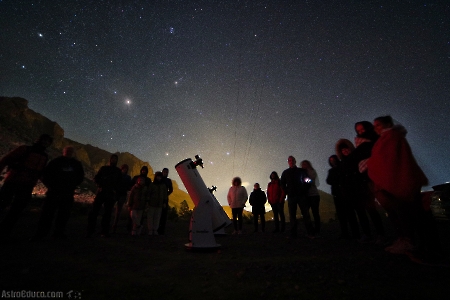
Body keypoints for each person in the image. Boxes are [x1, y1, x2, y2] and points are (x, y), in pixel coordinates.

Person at [367, 116, 436, 258]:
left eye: (378, 125)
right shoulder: (387, 138)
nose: (376, 128)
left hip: (401, 180)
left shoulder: (391, 137)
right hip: (397, 180)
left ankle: (423, 247)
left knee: (411, 213)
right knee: (405, 213)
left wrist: (372, 166)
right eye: (374, 126)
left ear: (387, 124)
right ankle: (414, 243)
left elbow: (389, 160)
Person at [0, 134, 53, 238]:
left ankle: (5, 232)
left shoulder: (44, 156)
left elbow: (41, 173)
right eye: (44, 141)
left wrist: (49, 185)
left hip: (27, 185)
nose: (45, 143)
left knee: (17, 209)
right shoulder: (25, 149)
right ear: (38, 140)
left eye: (47, 142)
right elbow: (6, 159)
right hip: (14, 181)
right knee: (3, 203)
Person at [33, 146, 84, 240]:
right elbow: (46, 174)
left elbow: (81, 176)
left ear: (73, 153)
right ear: (63, 151)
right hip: (54, 192)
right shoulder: (56, 161)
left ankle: (58, 233)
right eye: (67, 151)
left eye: (71, 151)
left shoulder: (76, 164)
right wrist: (50, 186)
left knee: (64, 214)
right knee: (48, 213)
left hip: (68, 193)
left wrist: (72, 185)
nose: (69, 153)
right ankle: (41, 233)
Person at [353, 121, 385, 242]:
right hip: (363, 181)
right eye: (358, 130)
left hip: (376, 178)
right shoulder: (359, 146)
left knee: (373, 209)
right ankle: (369, 233)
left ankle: (382, 234)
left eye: (363, 129)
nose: (361, 132)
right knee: (364, 209)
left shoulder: (375, 142)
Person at [336, 140, 372, 242]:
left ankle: (367, 233)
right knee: (351, 215)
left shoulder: (356, 159)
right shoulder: (342, 163)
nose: (345, 151)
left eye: (346, 149)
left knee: (361, 213)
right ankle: (356, 234)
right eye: (343, 150)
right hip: (347, 191)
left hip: (357, 189)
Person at [87, 154, 122, 238]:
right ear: (110, 159)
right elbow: (96, 178)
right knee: (94, 211)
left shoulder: (118, 171)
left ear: (117, 160)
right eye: (112, 158)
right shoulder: (104, 168)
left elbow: (119, 183)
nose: (113, 160)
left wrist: (115, 191)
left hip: (110, 194)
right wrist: (100, 185)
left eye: (115, 159)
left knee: (107, 214)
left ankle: (104, 231)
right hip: (101, 192)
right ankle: (90, 230)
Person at [280, 156, 314, 238]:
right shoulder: (285, 173)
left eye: (292, 160)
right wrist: (287, 191)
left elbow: (308, 180)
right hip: (291, 196)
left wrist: (304, 189)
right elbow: (282, 183)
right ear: (288, 162)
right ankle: (293, 234)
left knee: (305, 214)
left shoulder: (301, 171)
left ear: (295, 161)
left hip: (301, 195)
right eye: (289, 160)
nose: (291, 161)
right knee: (292, 215)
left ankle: (310, 233)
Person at [326, 154, 353, 239]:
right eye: (330, 160)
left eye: (333, 159)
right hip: (337, 194)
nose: (332, 161)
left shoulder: (343, 167)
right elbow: (328, 180)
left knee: (350, 213)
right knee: (341, 215)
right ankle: (345, 233)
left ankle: (355, 233)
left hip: (346, 193)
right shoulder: (331, 171)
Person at [127, 166, 152, 232]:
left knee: (140, 217)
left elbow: (149, 191)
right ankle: (135, 227)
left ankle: (135, 231)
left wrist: (147, 201)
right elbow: (130, 186)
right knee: (132, 216)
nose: (144, 171)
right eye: (143, 170)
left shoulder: (148, 180)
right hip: (134, 202)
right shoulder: (136, 178)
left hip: (142, 202)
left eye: (145, 170)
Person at [300, 160, 321, 236]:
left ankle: (317, 229)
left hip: (313, 195)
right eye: (303, 164)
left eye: (305, 164)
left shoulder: (311, 171)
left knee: (315, 212)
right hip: (306, 195)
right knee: (306, 212)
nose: (304, 165)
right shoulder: (302, 173)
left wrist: (305, 180)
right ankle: (310, 228)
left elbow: (311, 181)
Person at [112, 164, 132, 233]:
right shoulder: (117, 175)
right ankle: (109, 224)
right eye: (124, 168)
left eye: (126, 169)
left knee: (118, 211)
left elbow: (129, 186)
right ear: (122, 169)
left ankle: (115, 225)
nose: (125, 170)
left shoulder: (128, 177)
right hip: (116, 193)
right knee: (110, 209)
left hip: (122, 194)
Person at [147, 171, 167, 236]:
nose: (159, 178)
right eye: (158, 176)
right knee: (150, 217)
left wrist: (164, 202)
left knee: (157, 218)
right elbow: (149, 194)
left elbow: (165, 195)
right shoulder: (152, 185)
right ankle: (150, 230)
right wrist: (148, 201)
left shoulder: (163, 186)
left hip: (159, 204)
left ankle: (155, 230)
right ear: (156, 177)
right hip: (152, 203)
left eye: (160, 177)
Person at [157, 167, 173, 235]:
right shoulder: (159, 179)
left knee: (164, 215)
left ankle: (161, 230)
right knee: (158, 214)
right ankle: (156, 228)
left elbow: (171, 189)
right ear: (162, 172)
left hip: (165, 199)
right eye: (164, 172)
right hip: (157, 198)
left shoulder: (168, 181)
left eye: (166, 172)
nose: (165, 173)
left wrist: (166, 195)